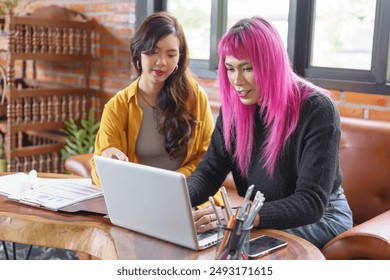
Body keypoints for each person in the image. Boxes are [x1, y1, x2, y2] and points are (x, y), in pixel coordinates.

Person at [189, 16, 353, 249]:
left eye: (247, 68)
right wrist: (177, 201)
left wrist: (238, 216)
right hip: (257, 214)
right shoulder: (235, 108)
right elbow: (209, 172)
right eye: (230, 68)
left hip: (323, 217)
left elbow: (310, 202)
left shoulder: (318, 108)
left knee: (235, 245)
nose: (237, 81)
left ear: (271, 65)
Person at [91, 12, 222, 207]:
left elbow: (207, 160)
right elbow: (98, 170)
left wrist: (167, 186)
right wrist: (106, 158)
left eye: (171, 54)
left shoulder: (195, 98)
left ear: (180, 57)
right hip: (143, 203)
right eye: (153, 51)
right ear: (139, 52)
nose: (161, 62)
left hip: (191, 198)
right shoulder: (118, 106)